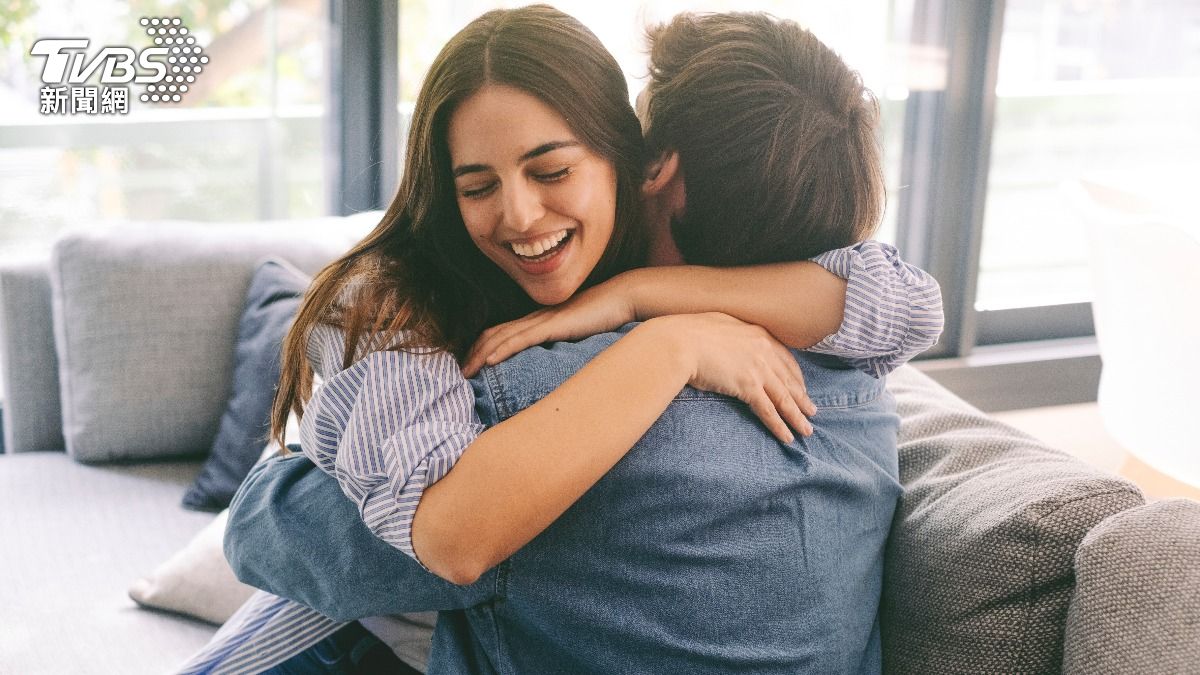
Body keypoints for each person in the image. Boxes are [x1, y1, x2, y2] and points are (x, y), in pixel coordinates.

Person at [183, 6, 940, 673]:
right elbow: (421, 530)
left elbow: (910, 302)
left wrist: (650, 308)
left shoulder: (561, 379)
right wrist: (668, 342)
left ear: (642, 161)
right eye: (476, 186)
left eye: (553, 169)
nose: (518, 214)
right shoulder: (392, 308)